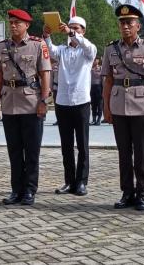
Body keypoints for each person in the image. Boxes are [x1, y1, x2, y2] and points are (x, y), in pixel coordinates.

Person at [101, 4, 144, 210]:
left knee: (142, 153)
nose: (125, 27)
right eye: (122, 23)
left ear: (138, 26)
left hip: (142, 107)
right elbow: (108, 80)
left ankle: (142, 193)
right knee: (124, 153)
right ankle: (127, 192)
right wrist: (106, 107)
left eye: (129, 23)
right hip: (118, 106)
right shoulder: (111, 49)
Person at [0, 9, 51, 206]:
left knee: (32, 151)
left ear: (27, 25)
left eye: (17, 22)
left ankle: (29, 190)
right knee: (14, 151)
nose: (13, 25)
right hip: (9, 103)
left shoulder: (37, 44)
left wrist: (44, 101)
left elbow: (45, 75)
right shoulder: (2, 47)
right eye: (11, 22)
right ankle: (16, 190)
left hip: (31, 104)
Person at [43, 16, 97, 197]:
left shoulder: (88, 51)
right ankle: (69, 180)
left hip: (81, 101)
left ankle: (81, 181)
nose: (73, 31)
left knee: (82, 144)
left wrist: (72, 33)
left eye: (77, 28)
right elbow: (50, 50)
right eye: (71, 27)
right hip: (63, 102)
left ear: (83, 31)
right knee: (66, 145)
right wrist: (47, 34)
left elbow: (88, 47)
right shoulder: (63, 51)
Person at [90, 57, 103, 125]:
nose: (94, 61)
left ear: (98, 61)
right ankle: (94, 119)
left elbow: (103, 79)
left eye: (96, 60)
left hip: (99, 87)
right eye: (94, 60)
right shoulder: (90, 69)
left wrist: (103, 89)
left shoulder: (101, 68)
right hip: (92, 88)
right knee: (93, 104)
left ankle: (99, 119)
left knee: (99, 104)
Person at [50, 59, 59, 125]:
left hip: (65, 89)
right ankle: (58, 119)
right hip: (56, 88)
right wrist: (50, 88)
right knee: (57, 106)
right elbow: (51, 78)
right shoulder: (54, 67)